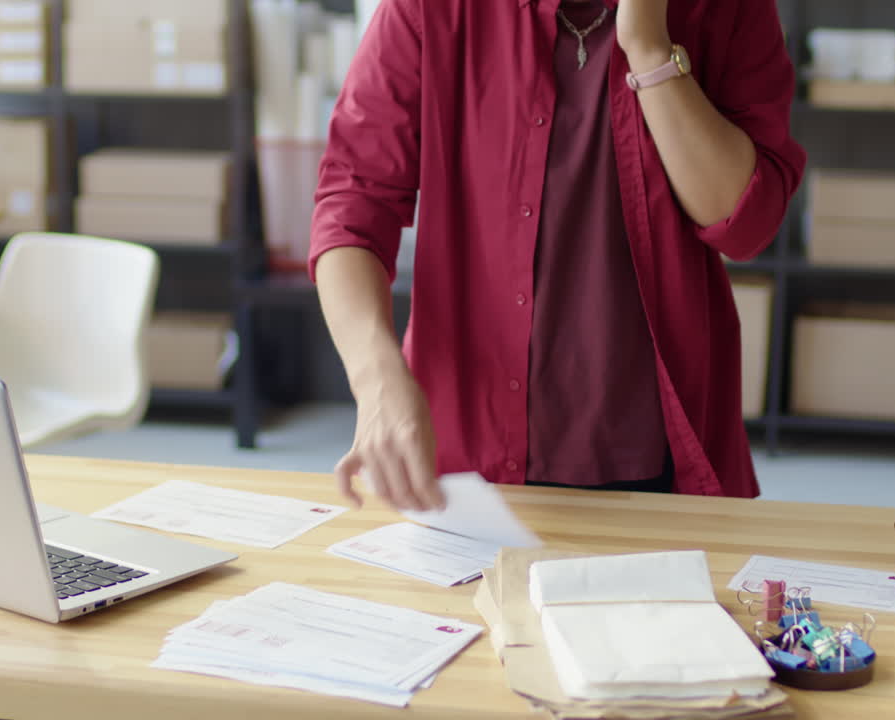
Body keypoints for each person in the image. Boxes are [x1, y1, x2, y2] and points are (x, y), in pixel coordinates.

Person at [308, 0, 806, 511]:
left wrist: (649, 47)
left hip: (652, 452)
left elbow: (743, 224)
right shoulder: (430, 9)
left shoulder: (727, 11)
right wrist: (375, 379)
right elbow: (353, 204)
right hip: (462, 455)